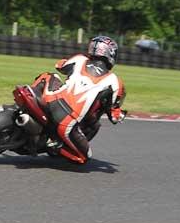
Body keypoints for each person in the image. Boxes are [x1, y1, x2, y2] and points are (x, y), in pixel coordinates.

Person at [31, 36, 126, 164]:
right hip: (67, 121)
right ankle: (54, 145)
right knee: (84, 158)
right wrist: (119, 115)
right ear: (111, 53)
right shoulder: (115, 81)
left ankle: (28, 99)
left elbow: (59, 66)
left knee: (48, 76)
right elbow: (114, 116)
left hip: (50, 100)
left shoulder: (79, 59)